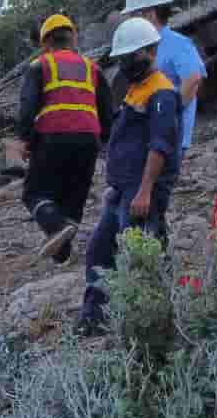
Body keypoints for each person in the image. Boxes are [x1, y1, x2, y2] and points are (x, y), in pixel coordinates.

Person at [77, 17, 184, 336]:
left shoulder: (161, 93)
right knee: (100, 250)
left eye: (131, 57)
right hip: (123, 190)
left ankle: (154, 320)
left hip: (141, 191)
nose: (126, 64)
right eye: (123, 59)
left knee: (141, 253)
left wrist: (145, 191)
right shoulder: (136, 90)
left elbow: (159, 146)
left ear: (151, 51)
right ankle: (94, 318)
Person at [16, 13, 115, 262]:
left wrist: (23, 142)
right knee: (73, 198)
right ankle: (62, 253)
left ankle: (56, 229)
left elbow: (27, 108)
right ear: (73, 38)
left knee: (34, 194)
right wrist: (102, 143)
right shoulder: (93, 69)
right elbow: (107, 114)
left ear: (45, 43)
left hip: (52, 138)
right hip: (88, 141)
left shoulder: (40, 66)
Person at [123, 0, 207, 173]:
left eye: (133, 15)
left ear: (150, 14)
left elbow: (193, 79)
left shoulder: (178, 44)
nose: (129, 21)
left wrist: (169, 117)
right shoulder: (146, 47)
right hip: (150, 139)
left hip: (168, 140)